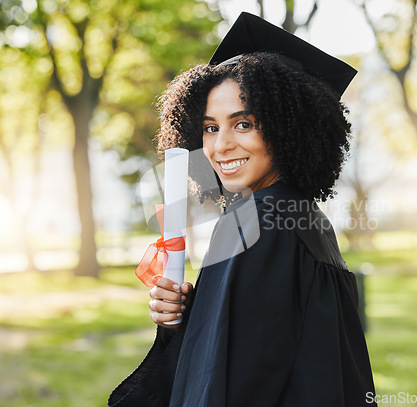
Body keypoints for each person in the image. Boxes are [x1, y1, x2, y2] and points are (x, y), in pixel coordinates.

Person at [109, 12, 377, 407]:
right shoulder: (302, 216)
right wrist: (187, 318)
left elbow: (220, 381)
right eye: (211, 127)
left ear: (290, 127)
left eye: (244, 123)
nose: (220, 147)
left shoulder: (254, 220)